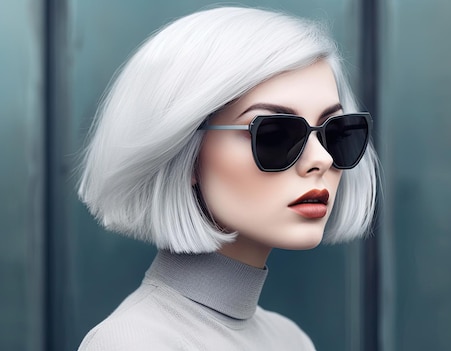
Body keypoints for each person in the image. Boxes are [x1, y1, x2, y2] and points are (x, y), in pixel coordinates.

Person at [76, 6, 379, 350]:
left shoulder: (291, 340)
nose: (321, 160)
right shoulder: (133, 343)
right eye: (274, 134)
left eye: (335, 132)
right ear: (184, 152)